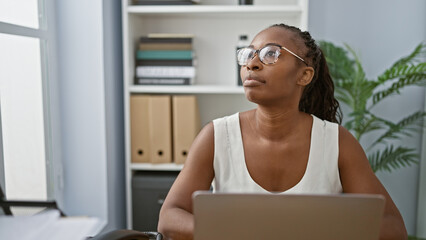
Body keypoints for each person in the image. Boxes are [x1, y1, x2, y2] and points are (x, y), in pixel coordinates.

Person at [157, 23, 407, 240]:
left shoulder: (338, 142)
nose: (252, 64)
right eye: (248, 55)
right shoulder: (216, 136)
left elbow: (393, 229)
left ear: (304, 75)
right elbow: (169, 219)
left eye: (270, 54)